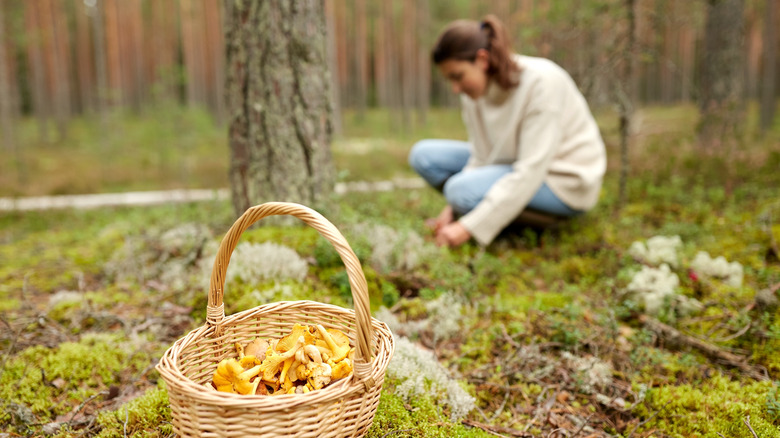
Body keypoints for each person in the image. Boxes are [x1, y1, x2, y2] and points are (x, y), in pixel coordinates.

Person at [409, 14, 607, 248]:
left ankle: (525, 223)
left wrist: (467, 227)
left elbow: (531, 170)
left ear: (482, 59)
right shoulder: (474, 92)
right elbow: (481, 157)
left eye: (458, 76)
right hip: (511, 166)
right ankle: (492, 213)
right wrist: (452, 210)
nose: (455, 88)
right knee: (423, 155)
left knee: (459, 190)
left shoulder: (541, 83)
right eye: (449, 80)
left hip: (563, 182)